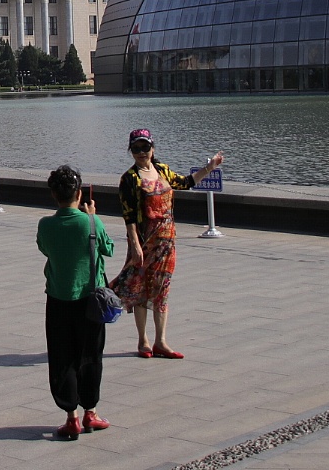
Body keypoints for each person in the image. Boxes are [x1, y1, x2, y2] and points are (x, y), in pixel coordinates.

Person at [110, 128, 224, 359]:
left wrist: (210, 167)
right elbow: (129, 216)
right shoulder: (129, 178)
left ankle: (161, 341)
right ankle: (143, 340)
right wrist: (135, 244)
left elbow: (186, 182)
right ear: (131, 151)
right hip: (144, 242)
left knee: (162, 289)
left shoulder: (162, 170)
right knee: (141, 288)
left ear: (152, 148)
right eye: (136, 148)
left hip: (167, 242)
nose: (141, 152)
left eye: (145, 147)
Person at [37, 164, 113, 440]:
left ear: (53, 195)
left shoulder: (45, 224)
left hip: (58, 298)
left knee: (62, 356)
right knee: (90, 355)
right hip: (89, 300)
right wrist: (91, 217)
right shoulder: (91, 222)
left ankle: (71, 418)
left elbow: (44, 248)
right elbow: (109, 248)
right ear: (79, 193)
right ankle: (91, 412)